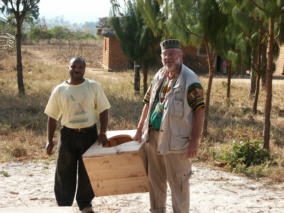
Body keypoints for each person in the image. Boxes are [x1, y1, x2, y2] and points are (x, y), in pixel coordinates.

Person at [134, 39, 205, 213]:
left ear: (180, 55)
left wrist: (194, 141)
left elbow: (199, 111)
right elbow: (147, 103)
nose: (168, 57)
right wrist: (139, 129)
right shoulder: (159, 74)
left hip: (176, 141)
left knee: (179, 184)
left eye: (172, 53)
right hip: (153, 137)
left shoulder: (190, 79)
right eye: (165, 54)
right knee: (155, 181)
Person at [44, 57, 111, 213]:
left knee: (88, 171)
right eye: (74, 66)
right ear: (68, 68)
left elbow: (104, 109)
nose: (77, 69)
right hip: (68, 134)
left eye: (81, 66)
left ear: (85, 69)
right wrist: (49, 140)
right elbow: (52, 117)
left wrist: (102, 132)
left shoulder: (93, 87)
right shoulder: (60, 90)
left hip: (89, 134)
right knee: (64, 171)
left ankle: (85, 204)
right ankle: (64, 205)